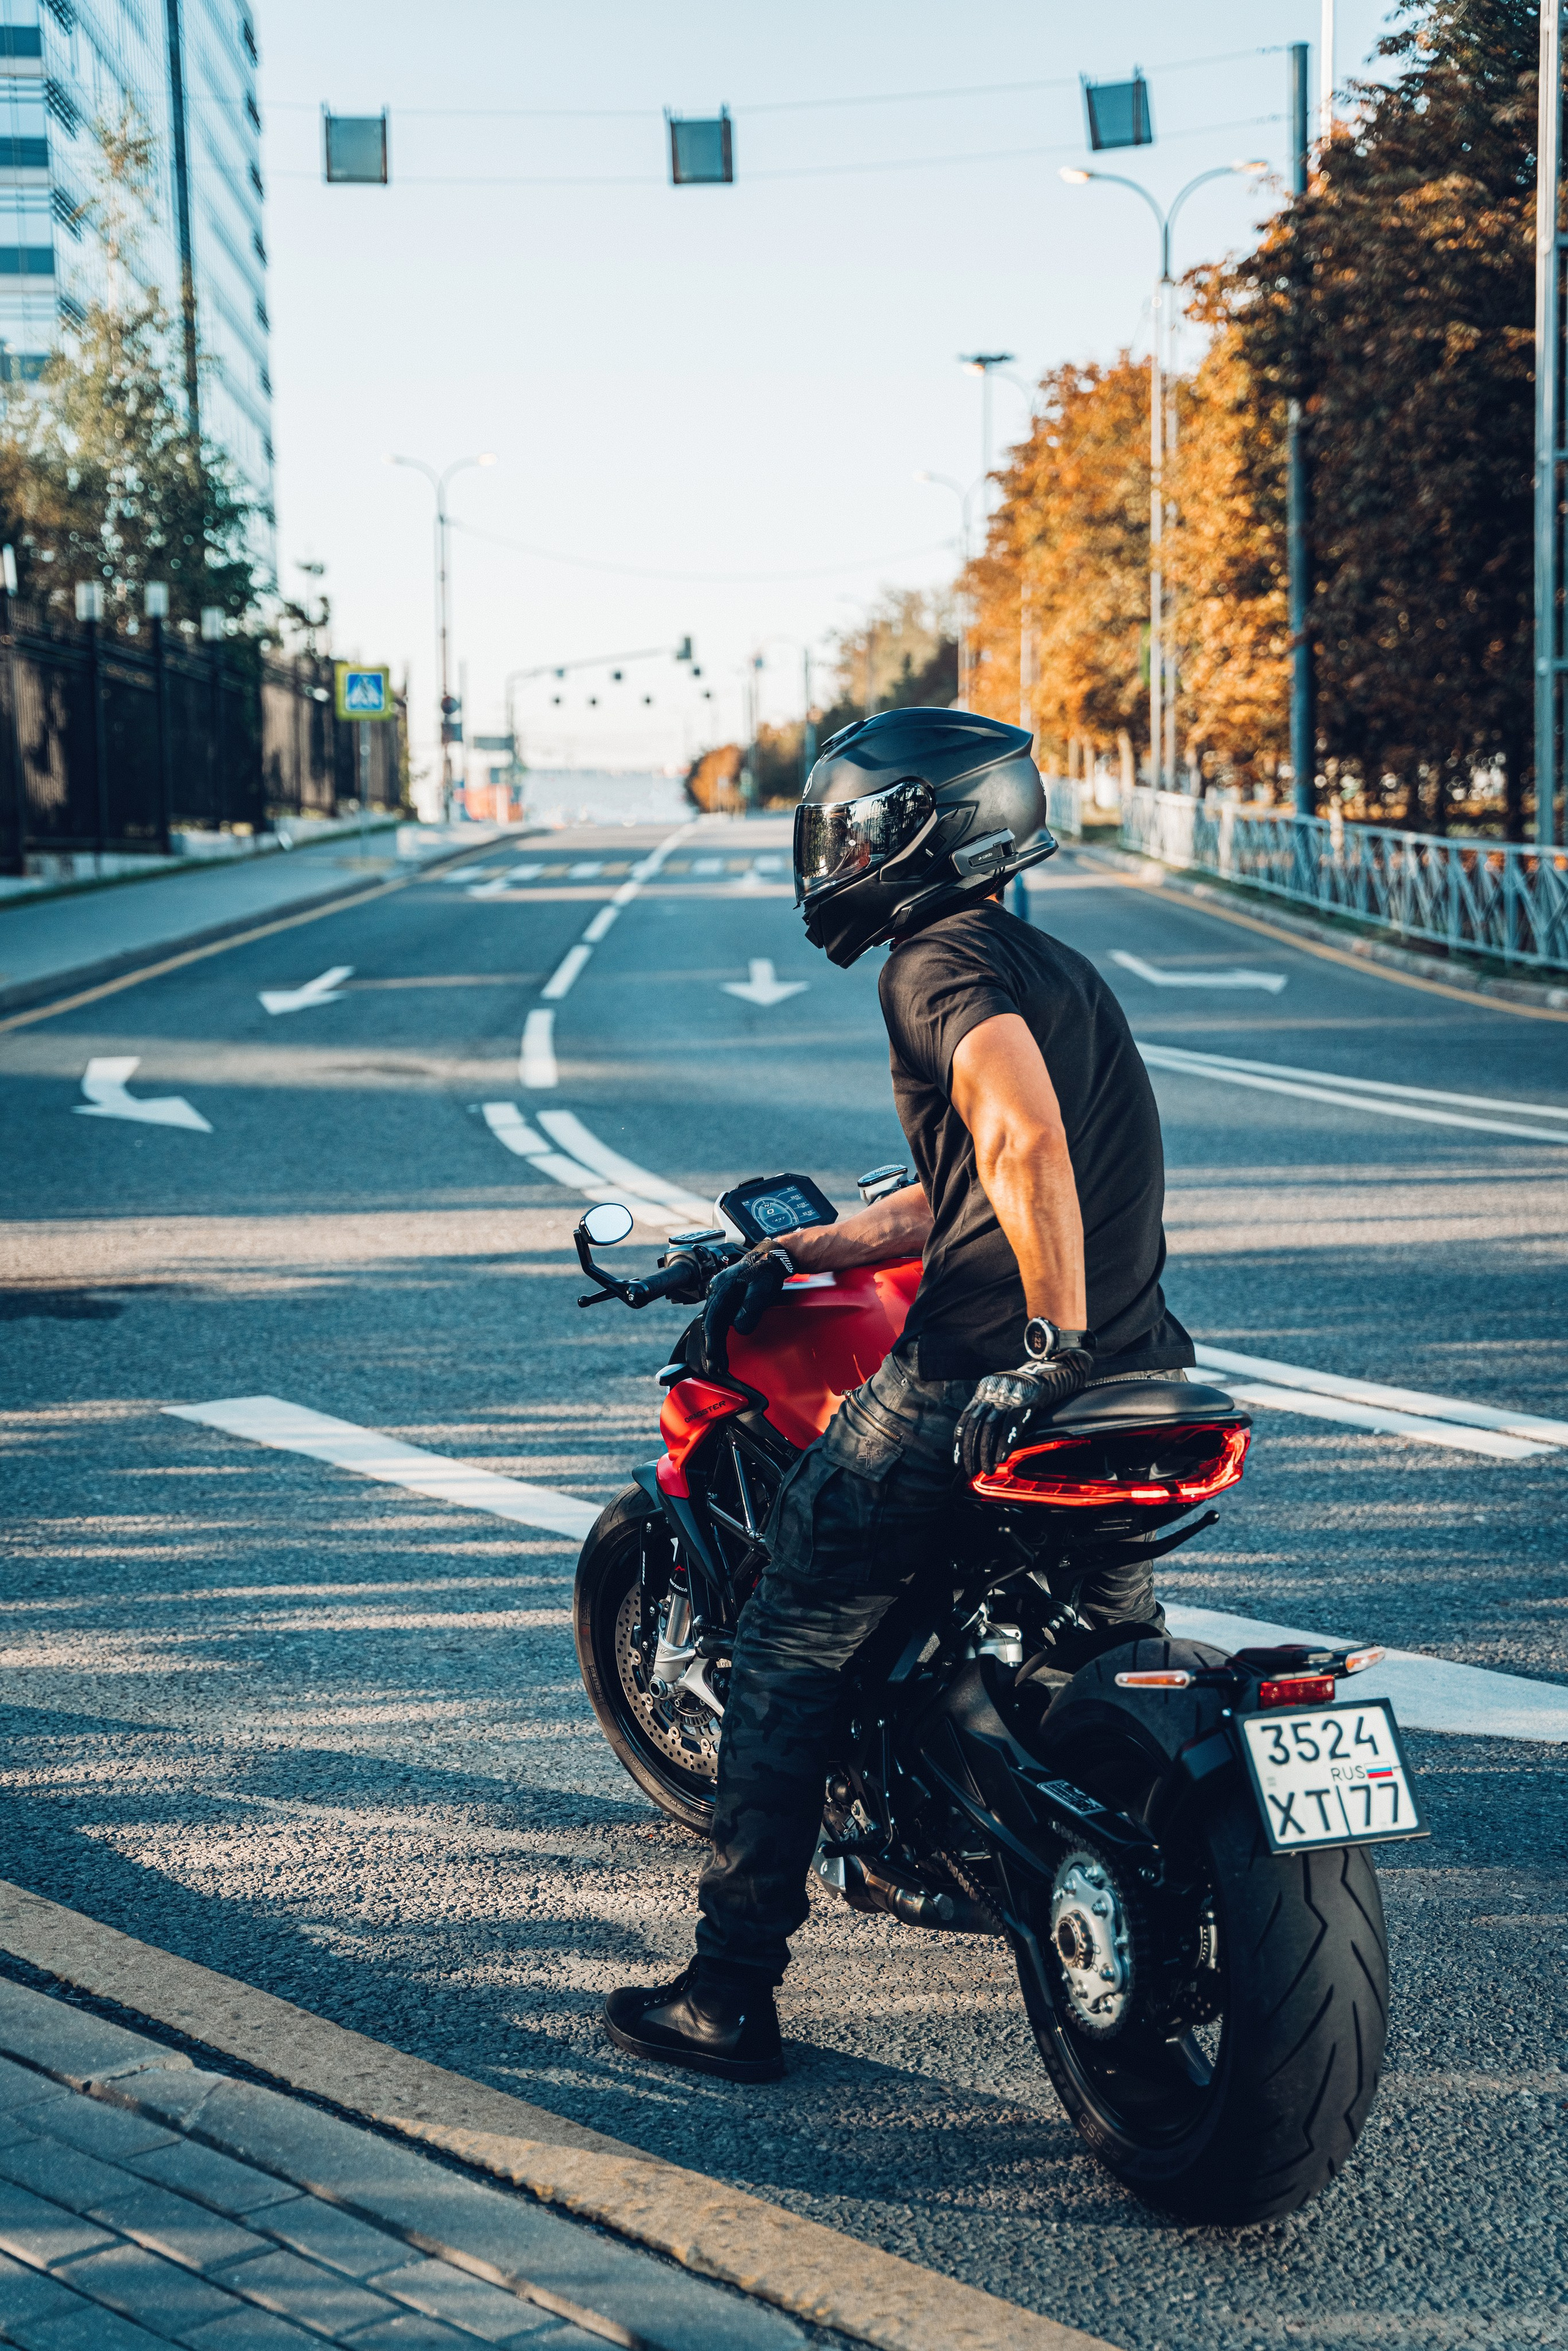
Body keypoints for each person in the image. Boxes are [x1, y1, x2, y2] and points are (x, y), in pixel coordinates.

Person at [605, 708, 1192, 2083]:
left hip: (985, 1377)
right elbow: (968, 1186)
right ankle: (1029, 1831)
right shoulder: (1059, 965)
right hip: (1144, 1375)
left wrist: (1036, 1344)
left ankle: (728, 1986)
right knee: (1108, 1645)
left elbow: (1019, 1132)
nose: (835, 851)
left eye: (854, 826)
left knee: (793, 1630)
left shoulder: (934, 963)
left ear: (919, 833)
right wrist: (805, 1246)